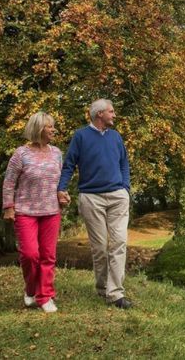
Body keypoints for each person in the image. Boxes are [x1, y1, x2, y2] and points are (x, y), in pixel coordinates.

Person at [57, 99, 133, 309]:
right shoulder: (81, 136)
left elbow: (124, 162)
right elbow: (69, 165)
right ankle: (102, 288)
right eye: (111, 111)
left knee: (119, 243)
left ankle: (116, 294)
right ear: (99, 114)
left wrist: (125, 187)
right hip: (91, 197)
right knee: (99, 248)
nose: (114, 115)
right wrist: (61, 188)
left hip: (117, 196)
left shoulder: (116, 136)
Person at [2, 112, 66, 313]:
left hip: (51, 211)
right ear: (38, 129)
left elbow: (60, 181)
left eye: (53, 126)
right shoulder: (21, 154)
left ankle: (45, 296)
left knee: (48, 255)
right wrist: (8, 207)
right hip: (25, 211)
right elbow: (9, 182)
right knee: (30, 255)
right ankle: (30, 289)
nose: (53, 130)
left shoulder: (57, 153)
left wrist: (63, 195)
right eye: (49, 127)